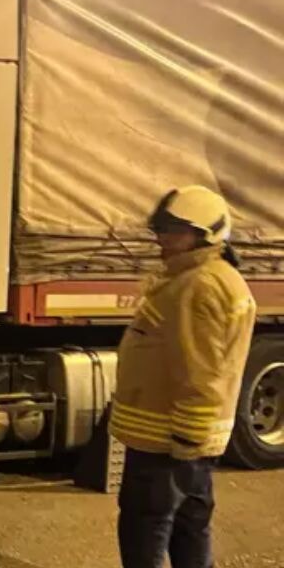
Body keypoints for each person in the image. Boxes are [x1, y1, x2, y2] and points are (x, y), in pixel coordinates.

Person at [110, 186, 257, 568]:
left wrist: (187, 440)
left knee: (145, 531)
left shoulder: (197, 286)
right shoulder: (210, 277)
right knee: (190, 527)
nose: (162, 239)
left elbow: (201, 371)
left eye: (175, 231)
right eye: (161, 229)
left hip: (166, 440)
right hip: (185, 441)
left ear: (206, 234)